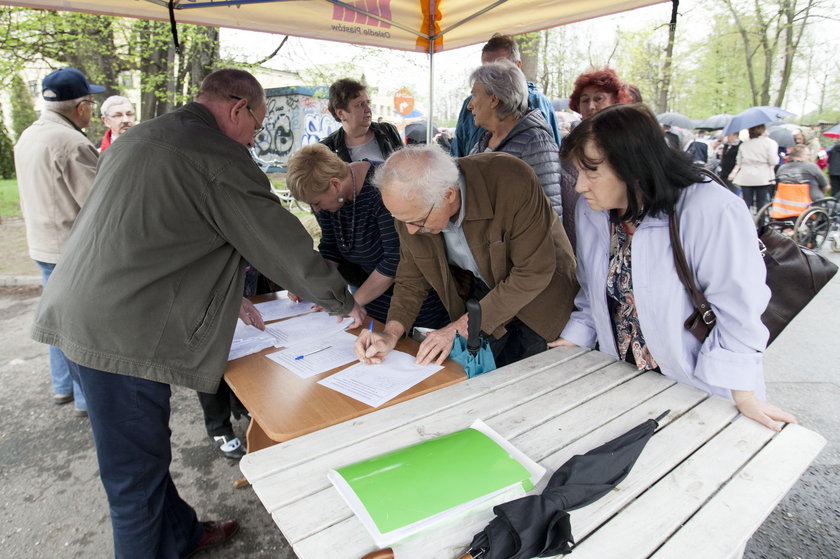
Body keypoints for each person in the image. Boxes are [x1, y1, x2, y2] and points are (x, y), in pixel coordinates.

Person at [30, 68, 364, 558]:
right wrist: (344, 302)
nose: (254, 137)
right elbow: (279, 242)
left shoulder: (145, 134)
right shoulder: (217, 156)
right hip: (119, 332)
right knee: (133, 483)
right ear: (237, 108)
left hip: (88, 311)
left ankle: (180, 535)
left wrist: (222, 288)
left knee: (144, 455)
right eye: (256, 123)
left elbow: (153, 233)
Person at [552, 103, 796, 433]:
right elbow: (591, 292)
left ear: (633, 167)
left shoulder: (710, 209)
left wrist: (744, 395)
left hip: (698, 388)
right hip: (622, 382)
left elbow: (739, 311)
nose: (579, 186)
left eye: (591, 171)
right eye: (578, 171)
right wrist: (574, 339)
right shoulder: (594, 211)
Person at [354, 145, 578, 369]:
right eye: (401, 220)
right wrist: (390, 333)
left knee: (526, 377)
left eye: (418, 222)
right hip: (487, 292)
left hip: (542, 295)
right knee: (476, 375)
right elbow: (411, 280)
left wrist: (458, 327)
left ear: (449, 195)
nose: (411, 230)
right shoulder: (411, 211)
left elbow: (533, 272)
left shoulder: (509, 180)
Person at [13, 67, 103, 417]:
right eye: (91, 104)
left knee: (55, 318)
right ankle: (83, 397)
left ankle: (63, 385)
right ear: (80, 107)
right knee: (77, 327)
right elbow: (99, 202)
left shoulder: (29, 135)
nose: (92, 111)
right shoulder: (72, 142)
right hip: (69, 248)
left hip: (42, 242)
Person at [286, 143, 449, 330]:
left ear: (335, 184)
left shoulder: (382, 189)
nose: (316, 210)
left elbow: (394, 260)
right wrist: (311, 284)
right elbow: (331, 249)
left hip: (414, 301)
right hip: (371, 299)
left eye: (316, 203)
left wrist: (352, 303)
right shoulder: (329, 201)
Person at [467, 60, 564, 218]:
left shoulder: (535, 141)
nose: (469, 106)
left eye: (474, 95)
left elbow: (551, 211)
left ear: (494, 99)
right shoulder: (483, 142)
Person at [450, 33, 560, 157]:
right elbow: (457, 154)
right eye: (486, 68)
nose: (490, 76)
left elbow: (551, 157)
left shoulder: (537, 102)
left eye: (499, 68)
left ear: (517, 66)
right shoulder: (470, 104)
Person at [563, 67, 633, 250]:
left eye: (598, 98)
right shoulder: (570, 146)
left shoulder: (632, 143)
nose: (591, 106)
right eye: (585, 100)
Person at [321, 78, 402, 163]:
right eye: (360, 105)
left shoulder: (388, 131)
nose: (368, 109)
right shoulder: (327, 149)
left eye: (368, 103)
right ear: (341, 114)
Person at [729, 124, 779, 212]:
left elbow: (739, 162)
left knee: (746, 202)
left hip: (746, 176)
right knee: (762, 203)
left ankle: (744, 221)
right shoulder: (770, 143)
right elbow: (773, 161)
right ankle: (761, 223)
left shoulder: (744, 145)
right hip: (763, 176)